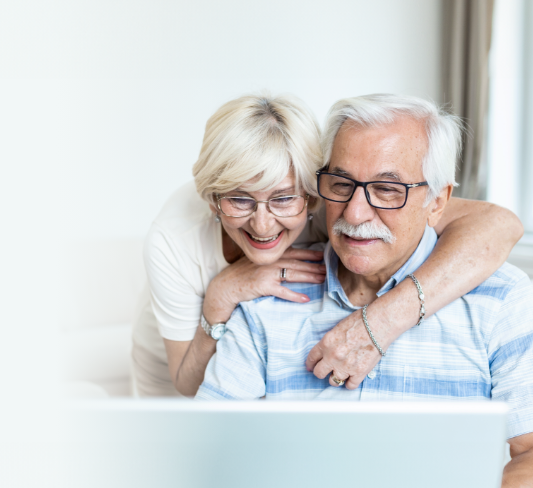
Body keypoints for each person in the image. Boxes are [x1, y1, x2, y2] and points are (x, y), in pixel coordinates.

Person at [195, 94, 533, 488]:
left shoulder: (501, 301)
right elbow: (202, 453)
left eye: (387, 190)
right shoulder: (267, 299)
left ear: (438, 201)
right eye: (341, 184)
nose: (355, 212)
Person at [132, 94, 524, 397]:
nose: (263, 223)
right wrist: (221, 295)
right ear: (213, 198)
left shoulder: (336, 202)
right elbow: (187, 385)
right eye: (239, 199)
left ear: (309, 193)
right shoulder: (173, 239)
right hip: (179, 364)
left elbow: (500, 224)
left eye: (283, 199)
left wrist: (382, 320)